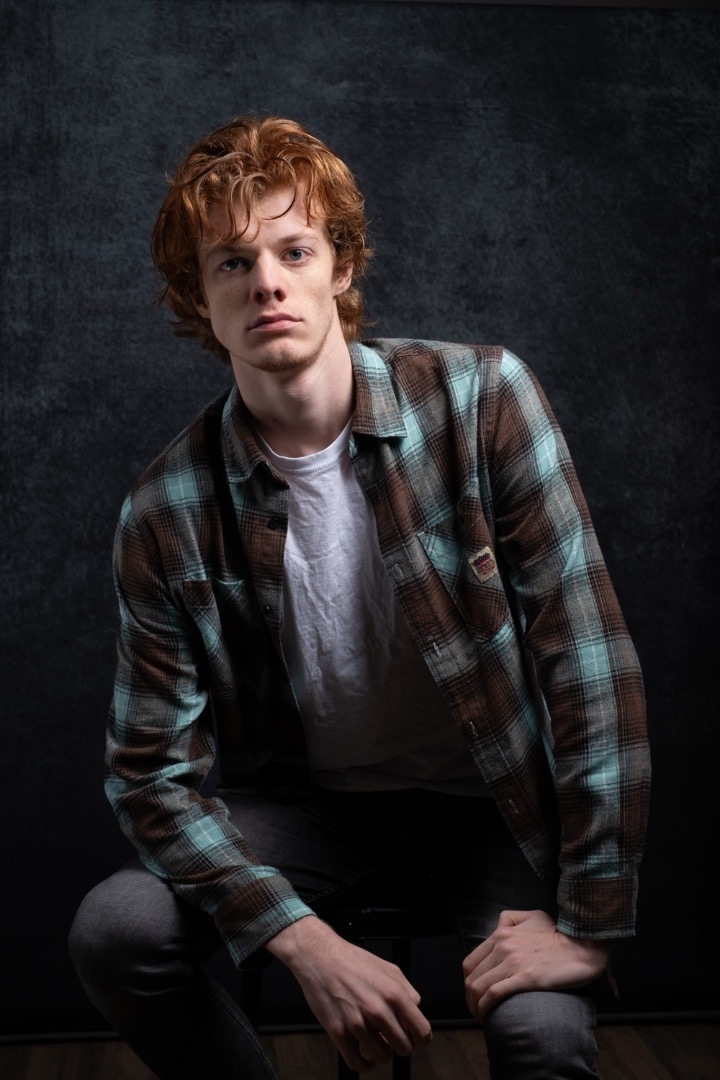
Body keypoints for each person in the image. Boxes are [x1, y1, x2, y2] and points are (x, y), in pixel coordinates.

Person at [69, 115, 651, 1079]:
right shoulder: (166, 509)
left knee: (544, 1038)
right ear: (199, 298)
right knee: (115, 930)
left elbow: (589, 671)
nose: (267, 282)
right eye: (232, 263)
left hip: (493, 805)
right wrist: (300, 939)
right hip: (311, 813)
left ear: (340, 267)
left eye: (294, 250)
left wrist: (591, 923)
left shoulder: (482, 400)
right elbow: (149, 776)